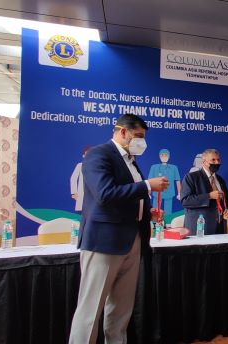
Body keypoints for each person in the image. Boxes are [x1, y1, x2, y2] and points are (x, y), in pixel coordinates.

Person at [69, 114, 169, 344]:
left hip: (132, 239)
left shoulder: (131, 161)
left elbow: (128, 197)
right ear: (122, 132)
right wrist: (146, 185)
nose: (142, 142)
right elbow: (104, 194)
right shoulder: (98, 155)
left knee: (121, 310)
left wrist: (148, 212)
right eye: (138, 136)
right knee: (90, 310)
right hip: (104, 241)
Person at [180, 148, 228, 235]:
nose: (217, 162)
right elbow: (185, 201)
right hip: (199, 229)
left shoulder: (220, 180)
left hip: (220, 229)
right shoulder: (191, 178)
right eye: (213, 160)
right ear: (204, 162)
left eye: (218, 160)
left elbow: (227, 201)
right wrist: (209, 196)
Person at [148, 148, 181, 215]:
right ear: (159, 156)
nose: (164, 157)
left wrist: (179, 193)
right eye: (162, 155)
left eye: (166, 155)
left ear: (169, 156)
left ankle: (167, 223)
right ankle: (155, 224)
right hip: (157, 192)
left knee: (168, 212)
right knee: (155, 211)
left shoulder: (174, 168)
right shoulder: (154, 167)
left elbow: (177, 181)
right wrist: (148, 192)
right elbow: (149, 181)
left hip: (169, 192)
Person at [70, 145, 91, 212]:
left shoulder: (97, 166)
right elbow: (73, 178)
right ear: (83, 155)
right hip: (82, 194)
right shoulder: (80, 166)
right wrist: (74, 193)